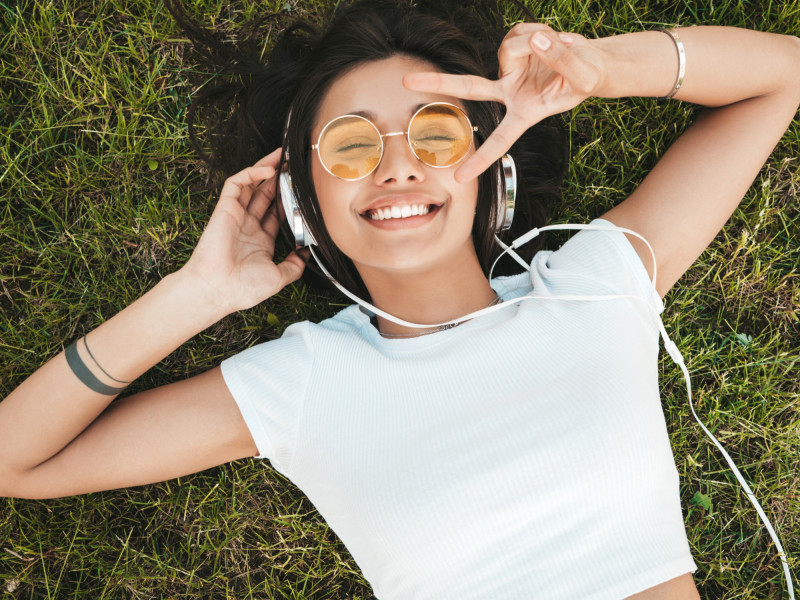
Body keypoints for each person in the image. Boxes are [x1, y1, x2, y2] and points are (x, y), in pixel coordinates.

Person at [1, 0, 798, 598]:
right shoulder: (302, 383)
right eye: (351, 145)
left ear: (490, 162)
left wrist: (606, 69)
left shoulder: (595, 286)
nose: (398, 167)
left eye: (436, 135)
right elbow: (15, 463)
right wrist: (194, 295)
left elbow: (783, 75)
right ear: (301, 196)